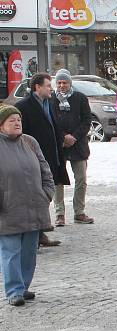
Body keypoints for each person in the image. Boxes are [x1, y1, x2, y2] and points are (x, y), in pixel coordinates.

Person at [0, 105, 55, 306]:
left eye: (18, 120)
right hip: (8, 209)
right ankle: (14, 290)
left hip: (34, 207)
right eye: (11, 120)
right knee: (11, 251)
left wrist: (46, 193)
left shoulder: (30, 142)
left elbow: (45, 169)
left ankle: (23, 286)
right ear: (1, 125)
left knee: (29, 252)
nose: (17, 123)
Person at [16, 72, 67, 248]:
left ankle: (40, 231)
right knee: (36, 196)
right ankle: (35, 233)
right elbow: (20, 134)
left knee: (46, 192)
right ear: (37, 87)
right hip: (33, 159)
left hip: (51, 156)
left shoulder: (49, 103)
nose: (50, 88)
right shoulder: (24, 106)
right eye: (47, 85)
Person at [51, 69, 94, 226]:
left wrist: (74, 137)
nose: (62, 85)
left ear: (70, 83)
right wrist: (62, 137)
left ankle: (79, 212)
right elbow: (51, 122)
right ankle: (59, 213)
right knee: (58, 181)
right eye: (59, 83)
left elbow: (87, 120)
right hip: (59, 146)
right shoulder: (51, 99)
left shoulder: (80, 98)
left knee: (81, 179)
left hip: (78, 145)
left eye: (65, 82)